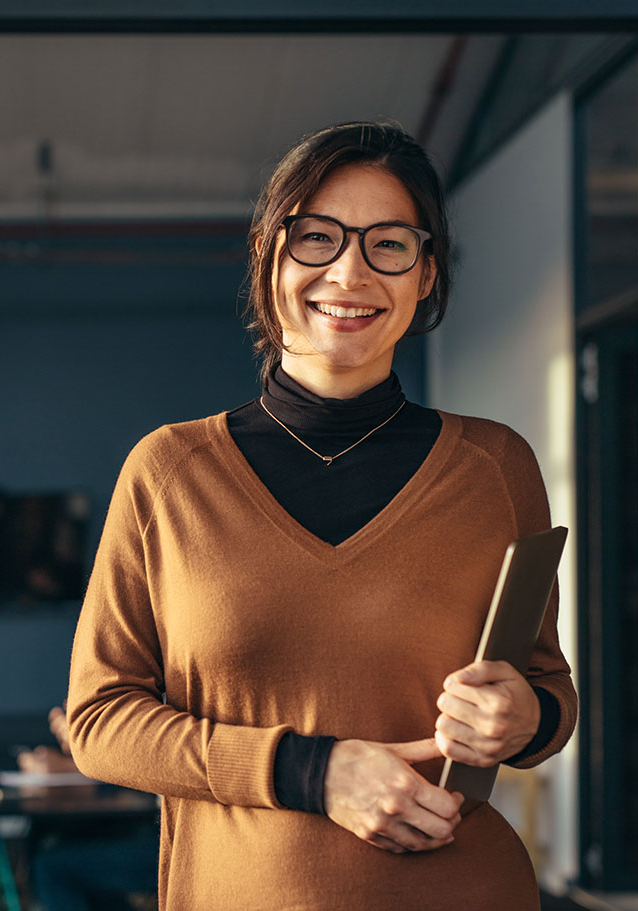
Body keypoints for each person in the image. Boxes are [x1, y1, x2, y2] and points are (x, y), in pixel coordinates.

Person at [65, 121, 577, 910]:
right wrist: (315, 769)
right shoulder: (169, 472)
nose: (350, 270)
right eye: (317, 238)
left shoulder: (495, 466)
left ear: (426, 272)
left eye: (389, 244)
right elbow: (101, 722)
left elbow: (548, 691)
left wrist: (526, 716)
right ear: (270, 257)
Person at [17, 707, 158, 911]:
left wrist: (74, 763)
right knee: (51, 847)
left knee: (52, 869)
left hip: (164, 842)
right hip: (143, 832)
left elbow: (142, 797)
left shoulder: (145, 722)